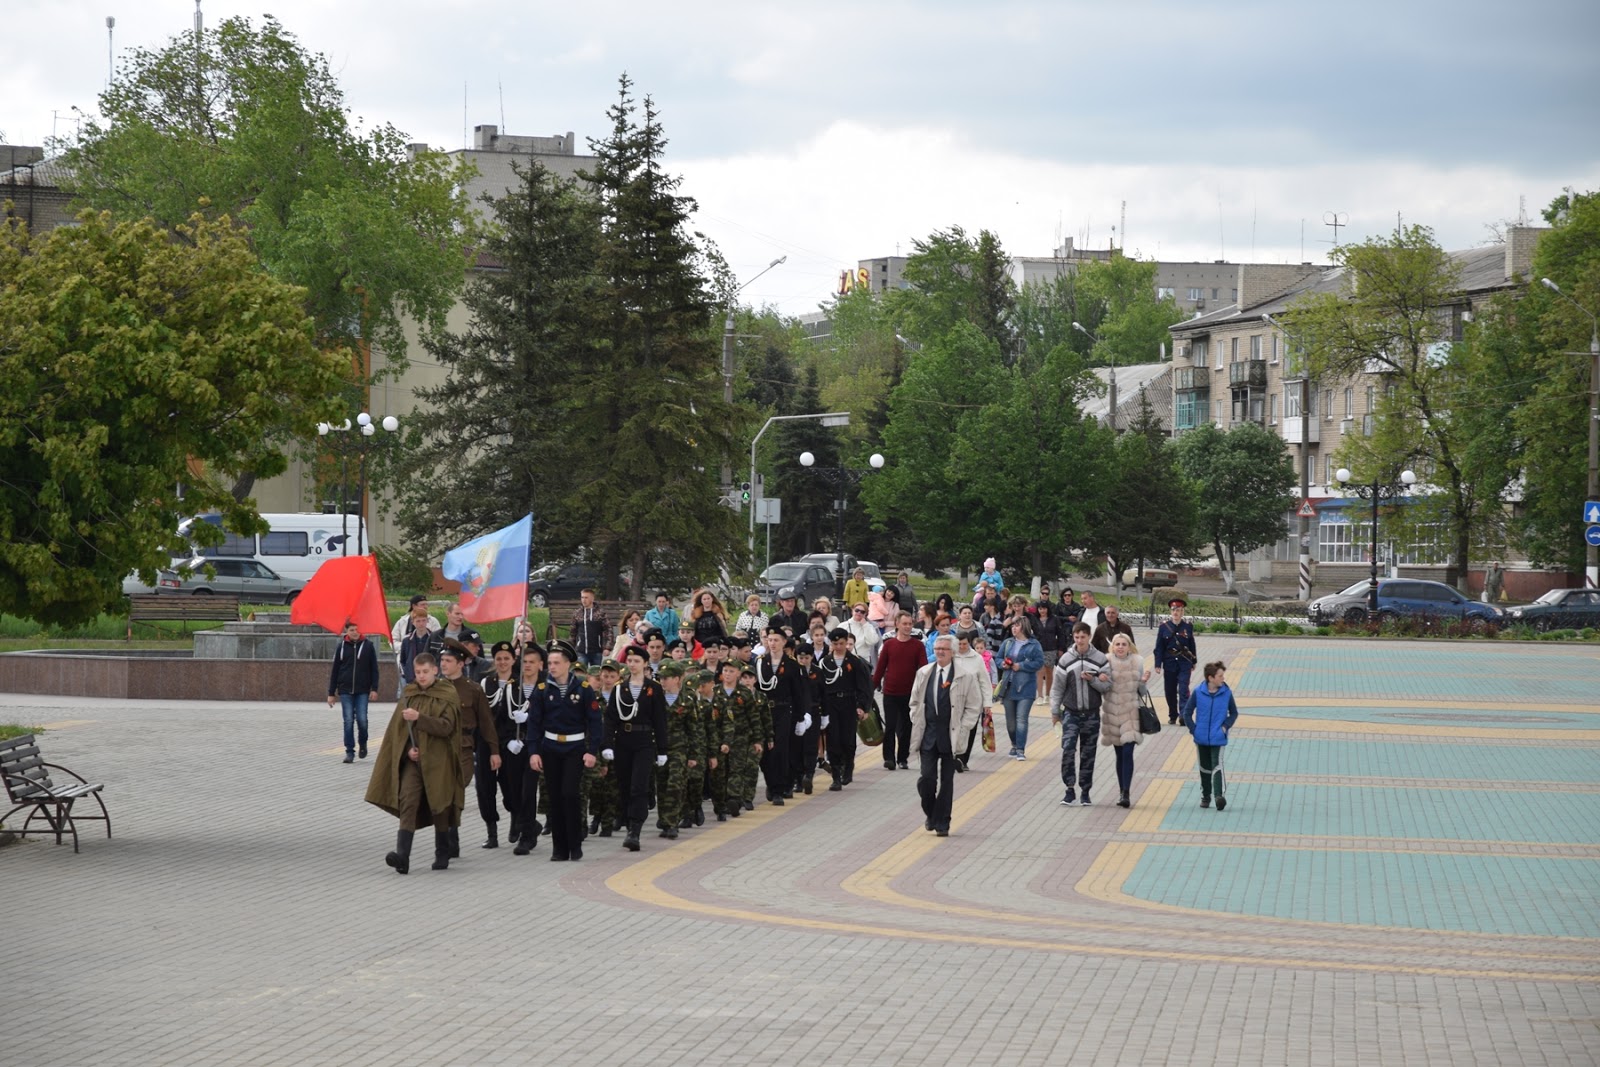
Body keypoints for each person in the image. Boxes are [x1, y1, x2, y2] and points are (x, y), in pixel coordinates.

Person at [364, 653, 463, 874]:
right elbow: (398, 732)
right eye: (418, 672)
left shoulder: (447, 694)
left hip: (439, 761)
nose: (421, 676)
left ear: (435, 670)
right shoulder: (409, 693)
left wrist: (420, 718)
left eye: (425, 671)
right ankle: (403, 857)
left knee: (440, 804)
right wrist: (408, 749)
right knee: (407, 800)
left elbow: (446, 727)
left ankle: (442, 852)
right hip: (414, 761)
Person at [527, 640, 602, 862]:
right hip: (550, 748)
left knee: (570, 794)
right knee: (555, 797)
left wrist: (592, 751)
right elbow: (534, 723)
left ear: (568, 664)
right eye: (550, 663)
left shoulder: (584, 689)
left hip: (575, 749)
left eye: (556, 663)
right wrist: (534, 751)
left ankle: (574, 843)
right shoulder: (542, 690)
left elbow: (595, 722)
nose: (552, 667)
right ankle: (559, 848)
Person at [909, 634, 985, 836]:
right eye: (937, 649)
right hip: (928, 734)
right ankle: (932, 813)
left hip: (951, 735)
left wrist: (964, 728)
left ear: (953, 652)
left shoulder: (964, 676)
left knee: (947, 782)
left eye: (944, 649)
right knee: (927, 779)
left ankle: (943, 823)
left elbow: (973, 706)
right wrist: (916, 718)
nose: (940, 652)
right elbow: (914, 701)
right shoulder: (924, 673)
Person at [600, 645, 669, 852]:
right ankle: (629, 822)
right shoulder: (620, 688)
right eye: (629, 661)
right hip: (623, 740)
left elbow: (660, 720)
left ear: (645, 664)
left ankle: (635, 830)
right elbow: (610, 718)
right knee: (624, 785)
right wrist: (607, 744)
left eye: (637, 661)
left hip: (644, 741)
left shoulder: (654, 688)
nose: (632, 664)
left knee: (639, 786)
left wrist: (662, 750)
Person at [439, 641, 497, 860]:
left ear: (460, 664)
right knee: (444, 795)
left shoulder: (473, 689)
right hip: (440, 748)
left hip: (463, 748)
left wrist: (494, 751)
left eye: (448, 660)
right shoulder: (435, 688)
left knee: (455, 790)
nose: (443, 664)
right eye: (442, 660)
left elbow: (486, 723)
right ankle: (450, 840)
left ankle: (450, 837)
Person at [1049, 622, 1111, 806]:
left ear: (1089, 637)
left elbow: (1107, 686)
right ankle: (1069, 788)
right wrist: (1055, 711)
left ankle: (1085, 791)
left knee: (1088, 753)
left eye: (1083, 637)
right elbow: (1057, 688)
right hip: (1070, 712)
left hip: (1091, 713)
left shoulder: (1100, 658)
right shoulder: (1066, 659)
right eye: (1077, 637)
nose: (1080, 641)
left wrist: (1093, 680)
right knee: (1068, 749)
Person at [480, 641, 533, 850]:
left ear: (513, 660)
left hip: (510, 742)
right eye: (499, 659)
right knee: (485, 788)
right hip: (487, 741)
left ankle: (516, 820)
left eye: (506, 658)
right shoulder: (486, 683)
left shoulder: (520, 684)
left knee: (511, 786)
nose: (502, 662)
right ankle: (491, 833)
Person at [754, 629, 806, 804]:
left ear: (784, 642)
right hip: (764, 711)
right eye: (770, 640)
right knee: (766, 752)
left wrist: (800, 717)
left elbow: (798, 692)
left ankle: (779, 789)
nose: (772, 643)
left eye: (776, 640)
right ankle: (771, 782)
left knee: (780, 750)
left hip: (783, 710)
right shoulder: (761, 662)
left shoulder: (792, 664)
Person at [818, 627, 873, 791]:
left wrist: (862, 706)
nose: (839, 647)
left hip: (849, 703)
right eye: (835, 644)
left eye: (842, 643)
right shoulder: (825, 662)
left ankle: (848, 766)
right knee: (833, 740)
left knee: (847, 739)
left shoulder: (854, 662)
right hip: (831, 704)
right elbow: (820, 687)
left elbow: (863, 686)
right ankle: (836, 776)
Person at [1100, 633, 1151, 809]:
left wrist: (1143, 681)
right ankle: (1121, 790)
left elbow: (1142, 692)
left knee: (1128, 751)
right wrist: (1100, 680)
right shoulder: (1106, 662)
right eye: (1117, 644)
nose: (1120, 647)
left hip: (1131, 713)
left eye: (1124, 644)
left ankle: (1126, 793)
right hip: (1113, 713)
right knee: (1119, 754)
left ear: (1129, 647)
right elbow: (1102, 688)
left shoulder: (1137, 662)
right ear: (1112, 647)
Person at [872, 611, 927, 772]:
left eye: (910, 624)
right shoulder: (889, 645)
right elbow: (880, 669)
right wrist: (870, 691)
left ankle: (902, 758)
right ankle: (889, 758)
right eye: (904, 624)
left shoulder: (918, 646)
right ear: (897, 624)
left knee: (906, 727)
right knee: (890, 726)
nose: (908, 627)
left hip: (910, 694)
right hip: (890, 692)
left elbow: (923, 669)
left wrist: (924, 690)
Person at [1181, 660, 1239, 810]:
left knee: (1217, 765)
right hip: (1201, 738)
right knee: (1204, 767)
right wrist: (1194, 729)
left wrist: (1225, 727)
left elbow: (1234, 713)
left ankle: (1219, 796)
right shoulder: (1198, 692)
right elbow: (1187, 712)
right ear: (1210, 678)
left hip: (1218, 737)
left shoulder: (1226, 693)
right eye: (1220, 676)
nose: (1223, 678)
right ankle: (1205, 796)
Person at [327, 621, 379, 764]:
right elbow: (335, 670)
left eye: (357, 629)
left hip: (362, 690)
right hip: (345, 690)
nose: (355, 632)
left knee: (362, 720)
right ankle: (349, 751)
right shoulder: (342, 647)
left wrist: (374, 689)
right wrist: (331, 693)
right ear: (346, 631)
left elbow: (374, 669)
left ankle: (363, 743)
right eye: (351, 630)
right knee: (348, 720)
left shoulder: (368, 646)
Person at [996, 617, 1044, 760]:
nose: (1013, 628)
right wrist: (1003, 664)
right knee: (1011, 723)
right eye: (1012, 626)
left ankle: (1020, 749)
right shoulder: (1008, 643)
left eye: (1016, 626)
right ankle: (1014, 744)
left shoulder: (1034, 644)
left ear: (1024, 627)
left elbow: (1039, 662)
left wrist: (1021, 666)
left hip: (1026, 687)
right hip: (1008, 686)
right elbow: (998, 658)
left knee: (1021, 719)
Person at [950, 626, 991, 772]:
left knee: (969, 728)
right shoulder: (951, 656)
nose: (962, 647)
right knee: (954, 727)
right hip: (954, 699)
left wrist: (987, 703)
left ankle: (963, 759)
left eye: (964, 644)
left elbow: (984, 681)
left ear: (969, 643)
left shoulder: (977, 658)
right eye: (959, 644)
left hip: (973, 700)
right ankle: (954, 756)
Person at [1153, 595, 1198, 725]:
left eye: (1178, 610)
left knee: (1184, 688)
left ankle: (1183, 715)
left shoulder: (1187, 626)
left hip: (1184, 661)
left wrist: (1194, 660)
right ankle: (1173, 714)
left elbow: (1191, 644)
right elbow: (1159, 647)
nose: (1176, 613)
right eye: (1173, 610)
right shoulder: (1164, 627)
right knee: (1170, 691)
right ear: (1170, 611)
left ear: (1182, 612)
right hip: (1169, 662)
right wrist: (1157, 663)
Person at [394, 594, 443, 700]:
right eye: (418, 621)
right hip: (410, 677)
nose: (421, 624)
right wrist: (407, 673)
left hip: (430, 677)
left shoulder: (433, 637)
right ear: (413, 622)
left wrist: (435, 673)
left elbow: (438, 656)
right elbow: (403, 659)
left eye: (423, 620)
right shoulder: (407, 640)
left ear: (427, 621)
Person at [1029, 583, 1059, 697]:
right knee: (1039, 671)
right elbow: (1030, 632)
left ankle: (1047, 694)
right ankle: (1040, 695)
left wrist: (1060, 647)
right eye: (1040, 608)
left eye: (1044, 608)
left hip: (1051, 647)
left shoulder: (1054, 619)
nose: (1042, 610)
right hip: (1038, 647)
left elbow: (1059, 633)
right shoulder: (1034, 619)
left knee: (1049, 671)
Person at [568, 588, 609, 669]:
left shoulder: (600, 613)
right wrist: (571, 648)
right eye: (582, 597)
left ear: (592, 599)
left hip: (596, 651)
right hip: (581, 651)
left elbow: (607, 630)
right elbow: (573, 632)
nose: (583, 600)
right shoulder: (577, 613)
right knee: (580, 672)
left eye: (586, 597)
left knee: (596, 673)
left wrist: (607, 647)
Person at [844, 601, 881, 669]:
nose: (859, 613)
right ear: (852, 611)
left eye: (862, 612)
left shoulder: (869, 626)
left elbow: (872, 641)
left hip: (862, 663)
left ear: (865, 614)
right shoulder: (843, 625)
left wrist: (865, 625)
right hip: (846, 661)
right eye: (857, 610)